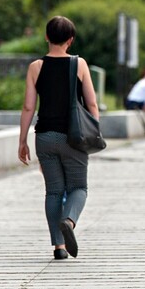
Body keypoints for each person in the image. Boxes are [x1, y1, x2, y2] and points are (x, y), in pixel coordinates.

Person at [18, 16, 100, 260]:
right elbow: (92, 102)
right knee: (78, 187)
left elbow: (27, 108)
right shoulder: (80, 64)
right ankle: (69, 221)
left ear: (46, 37)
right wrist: (95, 131)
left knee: (53, 191)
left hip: (44, 136)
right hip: (73, 136)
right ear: (70, 40)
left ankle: (59, 247)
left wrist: (22, 140)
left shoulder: (36, 67)